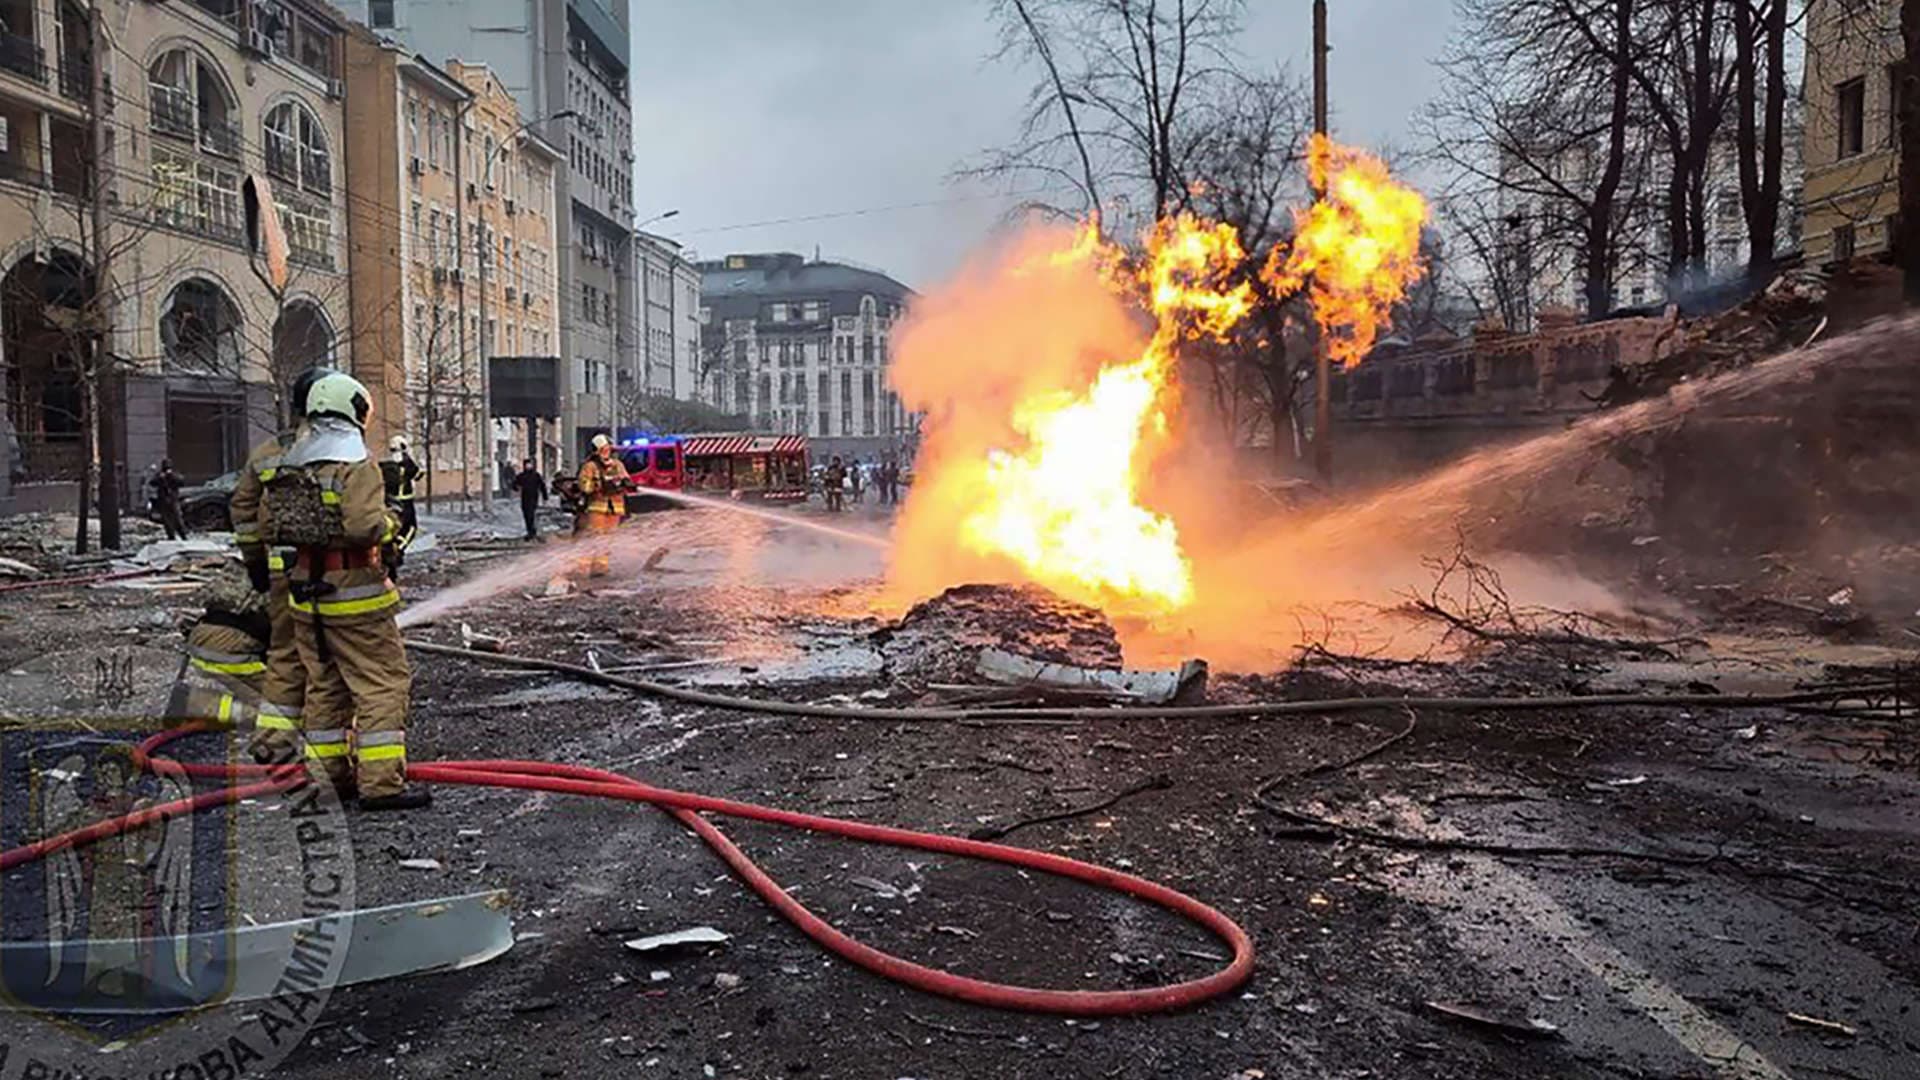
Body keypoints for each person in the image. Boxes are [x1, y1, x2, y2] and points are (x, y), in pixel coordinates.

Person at [263, 371, 427, 811]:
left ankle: (327, 778)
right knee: (382, 685)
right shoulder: (355, 466)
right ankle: (381, 784)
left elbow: (269, 526)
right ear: (353, 411)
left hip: (307, 597)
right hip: (356, 596)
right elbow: (364, 527)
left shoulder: (292, 464)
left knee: (325, 686)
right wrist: (394, 519)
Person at [230, 365, 333, 767]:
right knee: (331, 660)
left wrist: (255, 561)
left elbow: (242, 509)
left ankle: (273, 744)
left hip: (280, 575)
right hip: (331, 575)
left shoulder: (269, 452)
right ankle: (330, 755)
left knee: (285, 655)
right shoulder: (340, 453)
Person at [164, 566, 270, 731]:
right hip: (230, 645)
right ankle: (194, 704)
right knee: (279, 716)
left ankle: (197, 698)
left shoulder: (264, 566)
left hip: (204, 634)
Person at [574, 434, 631, 577]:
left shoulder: (618, 465)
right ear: (597, 450)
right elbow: (584, 486)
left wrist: (625, 483)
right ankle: (583, 567)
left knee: (607, 539)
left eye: (608, 448)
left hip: (615, 508)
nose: (607, 451)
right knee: (593, 536)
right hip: (597, 507)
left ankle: (601, 566)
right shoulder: (590, 466)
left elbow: (626, 479)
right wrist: (599, 485)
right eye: (603, 449)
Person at [511, 457, 547, 540]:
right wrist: (516, 488)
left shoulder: (536, 475)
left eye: (530, 464)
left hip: (533, 497)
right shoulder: (521, 476)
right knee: (526, 515)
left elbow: (542, 486)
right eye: (527, 465)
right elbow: (514, 484)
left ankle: (531, 532)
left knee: (531, 514)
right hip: (525, 498)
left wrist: (545, 497)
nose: (528, 466)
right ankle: (530, 530)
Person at [153, 458, 186, 539]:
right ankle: (171, 536)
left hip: (173, 500)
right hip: (163, 501)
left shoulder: (174, 474)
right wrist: (160, 478)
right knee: (167, 521)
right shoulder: (160, 475)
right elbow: (152, 482)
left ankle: (183, 535)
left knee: (177, 519)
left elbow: (181, 481)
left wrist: (171, 476)